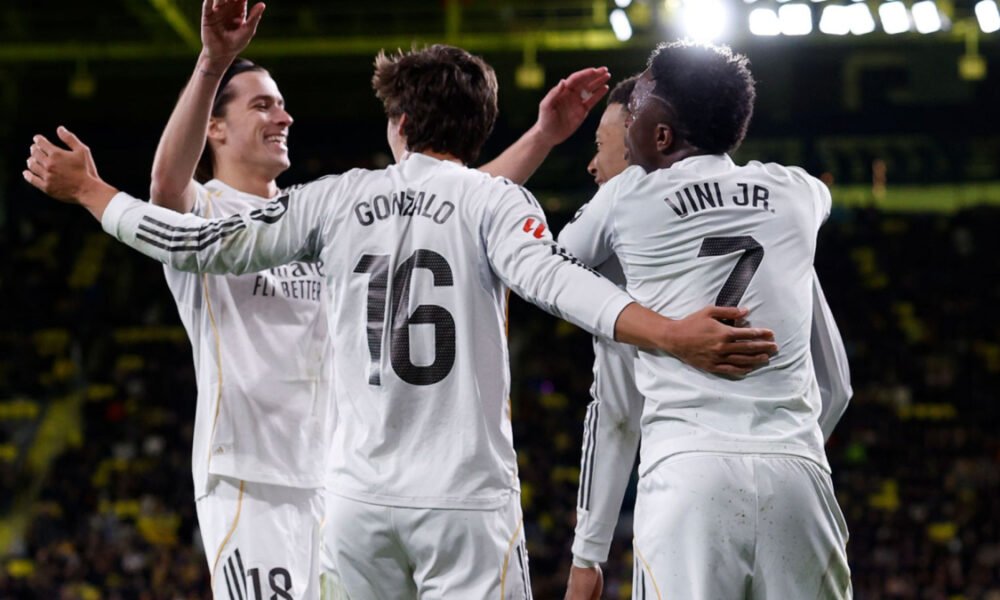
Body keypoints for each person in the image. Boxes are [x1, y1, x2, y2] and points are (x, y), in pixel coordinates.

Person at [24, 43, 779, 597]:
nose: (283, 114)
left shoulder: (334, 200)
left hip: (350, 495)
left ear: (400, 122)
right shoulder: (490, 202)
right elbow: (552, 278)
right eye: (262, 104)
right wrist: (668, 331)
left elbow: (194, 242)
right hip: (433, 495)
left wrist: (94, 194)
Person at [102, 0, 621, 596]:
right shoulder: (209, 213)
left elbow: (453, 199)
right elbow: (165, 188)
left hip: (340, 474)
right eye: (262, 105)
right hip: (253, 476)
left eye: (282, 103)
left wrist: (542, 136)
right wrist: (212, 64)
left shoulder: (311, 213)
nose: (284, 115)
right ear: (214, 128)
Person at [556, 41, 853, 598]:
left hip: (688, 475)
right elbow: (837, 384)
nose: (596, 162)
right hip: (799, 472)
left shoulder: (626, 208)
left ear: (660, 136)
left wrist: (587, 555)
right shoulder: (794, 197)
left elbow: (548, 267)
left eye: (631, 116)